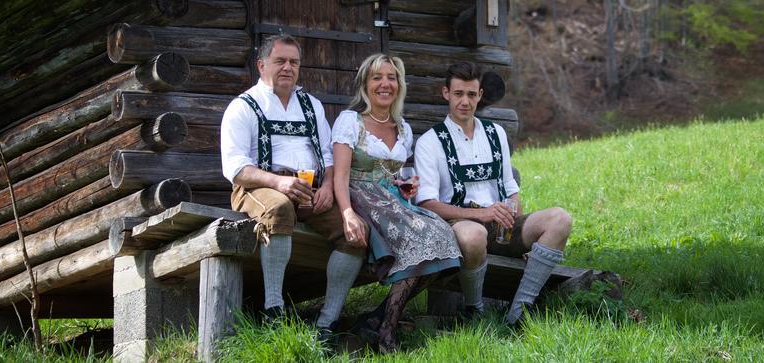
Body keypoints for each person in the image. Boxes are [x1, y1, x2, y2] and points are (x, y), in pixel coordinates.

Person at [219, 34, 363, 342]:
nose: (288, 67)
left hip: (308, 188)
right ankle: (274, 310)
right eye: (280, 61)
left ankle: (328, 321)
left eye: (294, 62)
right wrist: (278, 181)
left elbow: (327, 155)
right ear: (262, 65)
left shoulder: (311, 106)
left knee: (353, 232)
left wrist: (326, 185)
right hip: (257, 187)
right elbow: (235, 168)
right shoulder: (243, 106)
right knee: (279, 208)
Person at [415, 62, 573, 326]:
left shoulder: (495, 133)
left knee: (560, 219)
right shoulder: (430, 142)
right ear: (446, 93)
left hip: (502, 228)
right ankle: (474, 310)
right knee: (474, 234)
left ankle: (519, 311)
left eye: (472, 94)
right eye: (458, 94)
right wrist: (481, 213)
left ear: (480, 96)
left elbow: (511, 191)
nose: (465, 101)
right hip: (460, 227)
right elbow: (428, 204)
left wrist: (521, 234)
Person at [330, 53, 461, 352]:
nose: (385, 84)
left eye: (391, 78)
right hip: (361, 197)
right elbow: (340, 176)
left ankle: (378, 319)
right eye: (377, 77)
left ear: (399, 85)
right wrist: (348, 212)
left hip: (392, 201)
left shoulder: (402, 128)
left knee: (444, 238)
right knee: (417, 243)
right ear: (365, 84)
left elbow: (398, 176)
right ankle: (387, 332)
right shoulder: (351, 121)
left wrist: (406, 189)